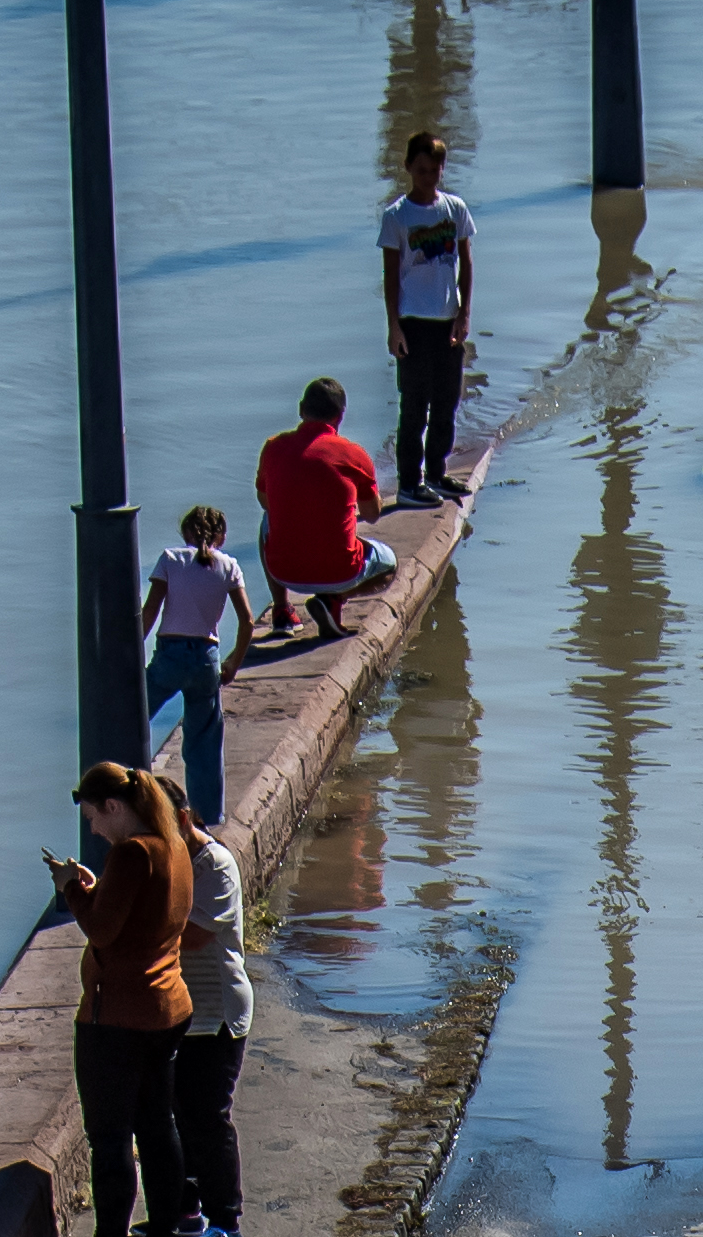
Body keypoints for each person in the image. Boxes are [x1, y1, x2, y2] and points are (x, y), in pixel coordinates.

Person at [41, 763, 200, 1237]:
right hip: (167, 1008)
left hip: (118, 1019)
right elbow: (139, 914)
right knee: (158, 1129)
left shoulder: (131, 852)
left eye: (92, 817)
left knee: (109, 1139)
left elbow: (103, 931)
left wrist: (72, 888)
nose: (91, 830)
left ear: (112, 807)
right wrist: (96, 887)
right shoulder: (173, 844)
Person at [135, 503, 251, 834]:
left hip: (170, 654)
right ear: (222, 536)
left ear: (185, 533)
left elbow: (150, 612)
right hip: (206, 658)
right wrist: (233, 662)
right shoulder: (229, 566)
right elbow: (247, 621)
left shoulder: (170, 559)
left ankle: (127, 790)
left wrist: (130, 658)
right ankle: (205, 819)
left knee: (132, 718)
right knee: (203, 743)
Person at [170, 793, 251, 1237]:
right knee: (176, 1114)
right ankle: (185, 1210)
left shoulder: (214, 865)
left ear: (183, 818)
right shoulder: (171, 862)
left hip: (217, 1011)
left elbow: (193, 935)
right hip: (181, 1010)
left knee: (208, 1118)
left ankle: (227, 1222)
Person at [376, 132, 477, 505]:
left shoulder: (455, 209)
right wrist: (393, 326)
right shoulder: (396, 216)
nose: (429, 177)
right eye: (421, 170)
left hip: (447, 320)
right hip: (413, 322)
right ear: (408, 169)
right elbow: (390, 276)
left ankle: (437, 473)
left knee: (447, 401)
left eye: (435, 170)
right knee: (415, 405)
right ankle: (408, 482)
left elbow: (466, 264)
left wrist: (464, 314)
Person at [252, 376, 391, 638]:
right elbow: (372, 515)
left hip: (283, 572)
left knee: (266, 520)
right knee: (389, 565)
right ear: (340, 415)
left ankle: (281, 610)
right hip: (341, 573)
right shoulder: (354, 454)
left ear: (301, 409)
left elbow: (264, 500)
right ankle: (333, 600)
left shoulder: (273, 447)